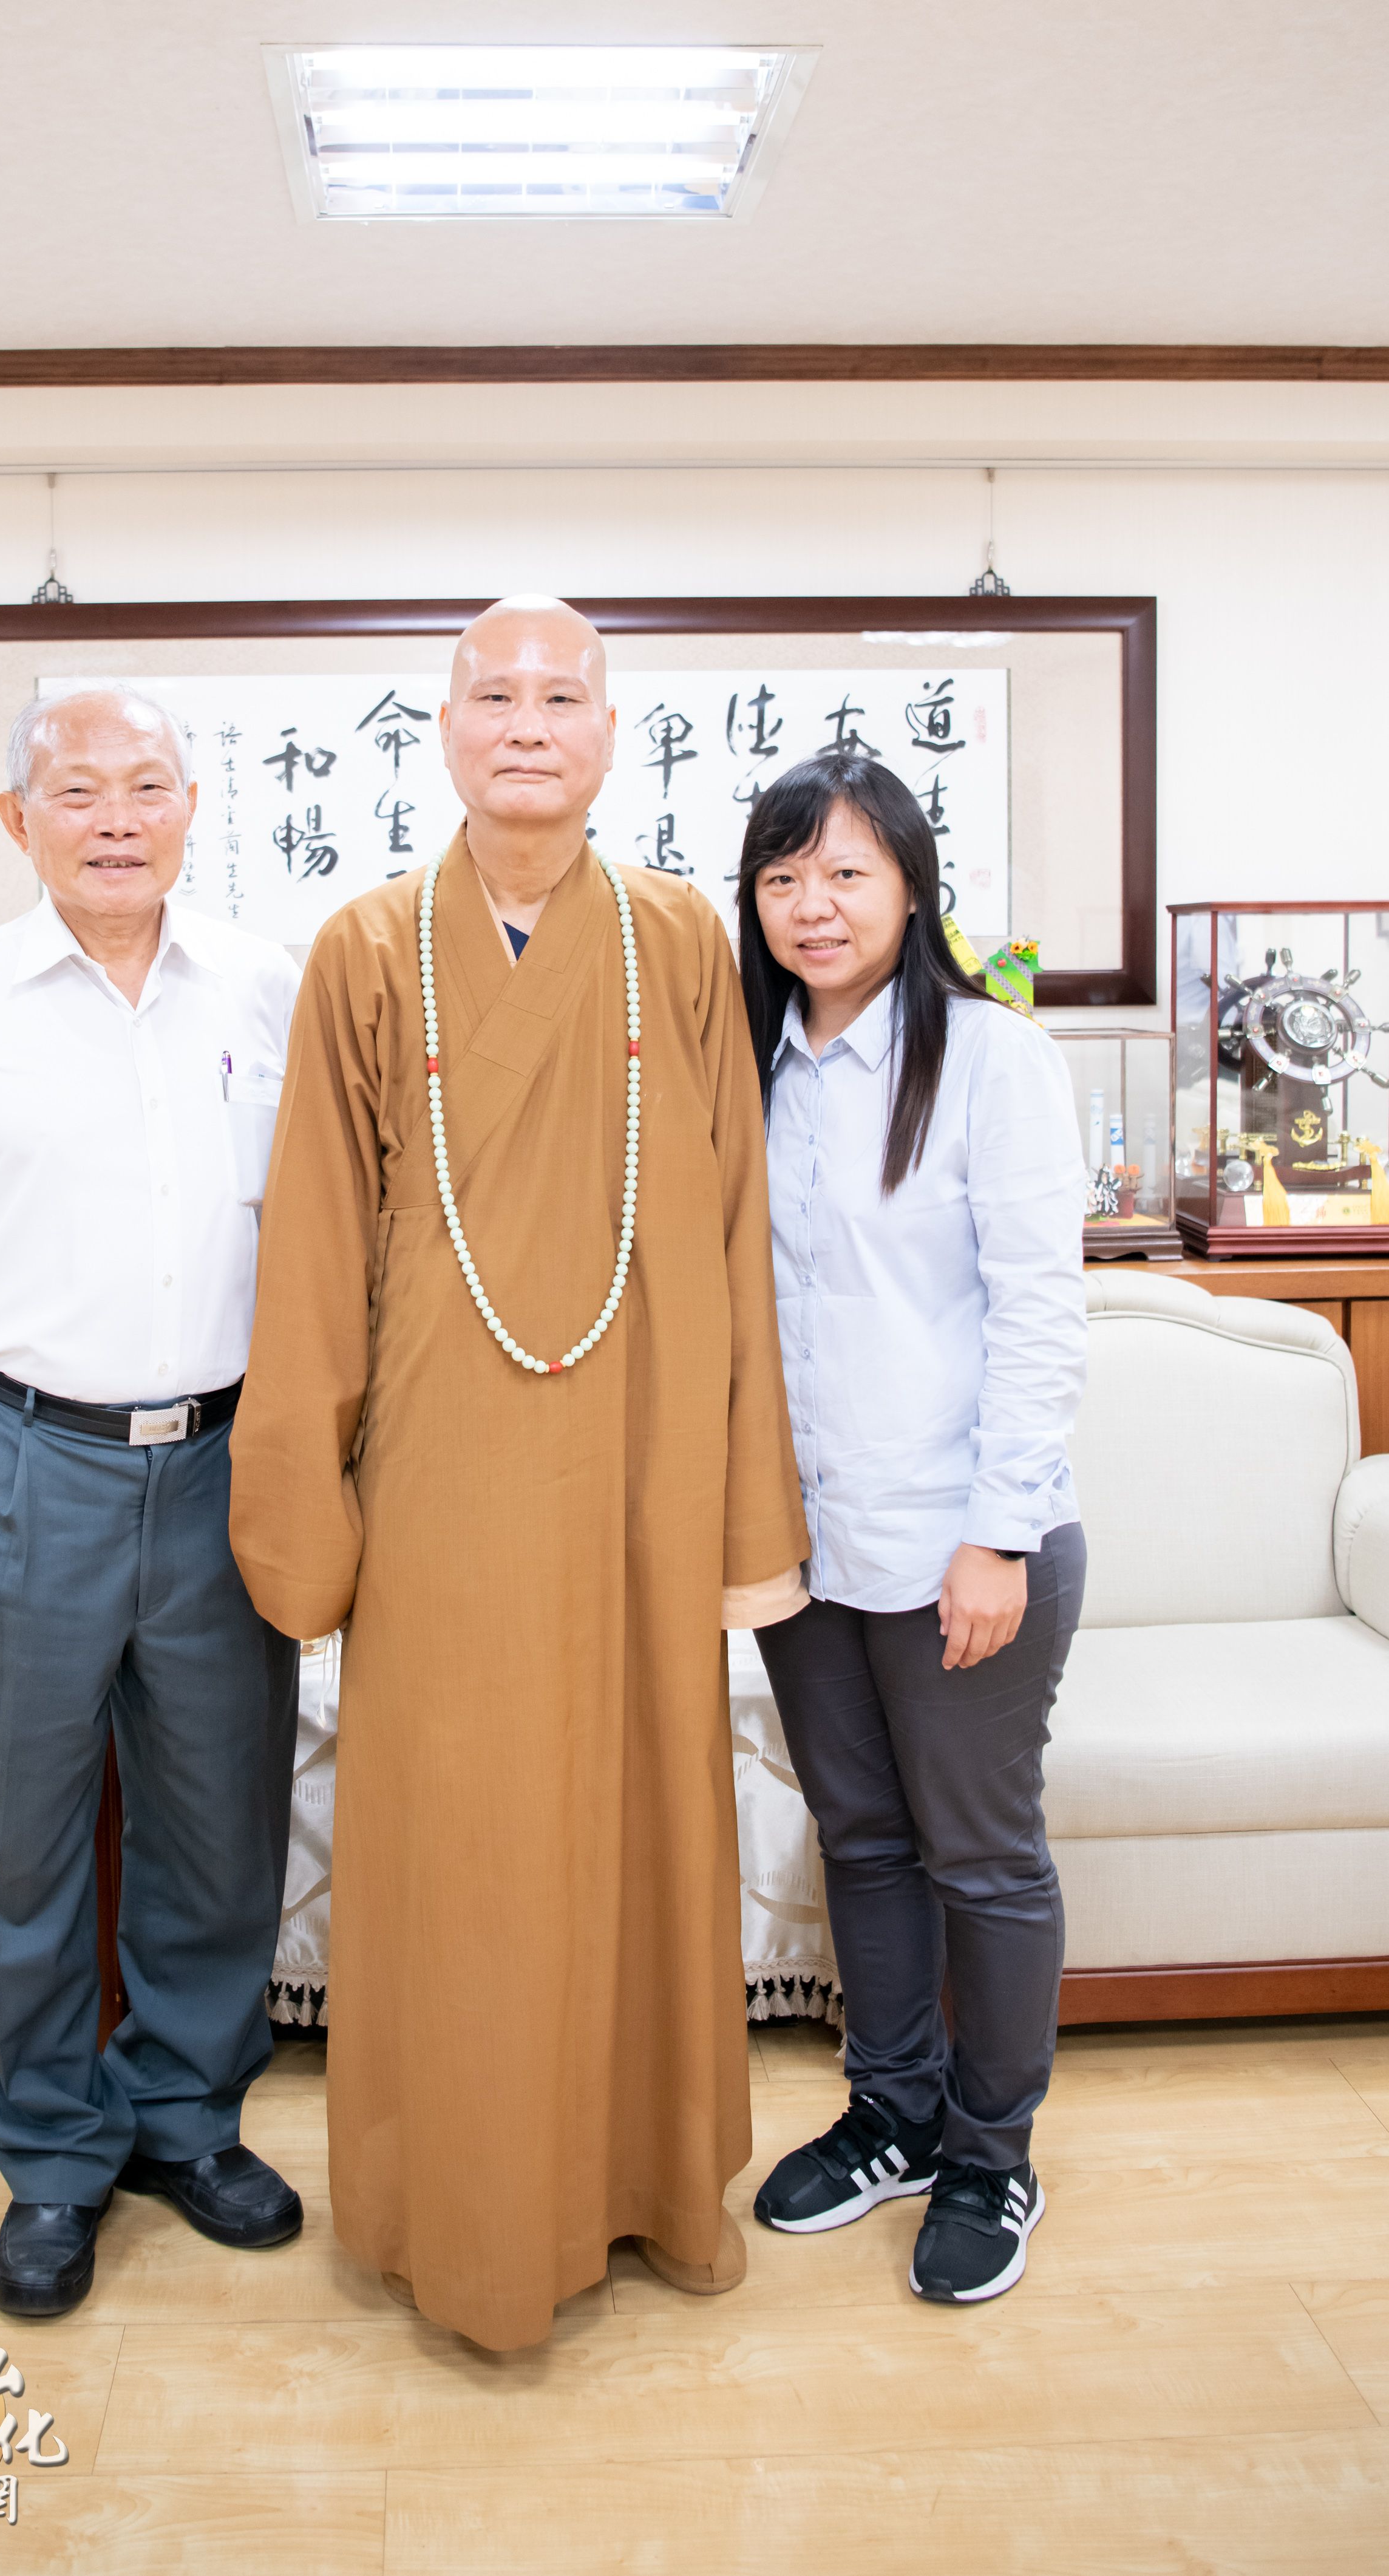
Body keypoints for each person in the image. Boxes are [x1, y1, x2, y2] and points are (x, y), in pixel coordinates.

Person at [229, 595, 809, 2351]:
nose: (530, 723)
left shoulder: (677, 938)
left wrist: (740, 1504)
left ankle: (641, 2186)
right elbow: (312, 1251)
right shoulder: (363, 948)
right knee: (456, 1838)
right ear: (446, 730)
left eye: (565, 696)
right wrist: (304, 1510)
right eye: (497, 695)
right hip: (442, 1474)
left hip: (637, 1456)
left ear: (611, 735)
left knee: (638, 1819)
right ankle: (454, 2214)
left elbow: (733, 1228)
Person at [0, 686, 304, 2319]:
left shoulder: (267, 986)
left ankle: (185, 2117)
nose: (116, 818)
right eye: (79, 790)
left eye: (147, 786)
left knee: (220, 1820)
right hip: (16, 1456)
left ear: (192, 807)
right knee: (15, 1834)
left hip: (224, 1462)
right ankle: (49, 2149)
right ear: (17, 820)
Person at [740, 751, 1087, 2305]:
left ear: (909, 886)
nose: (812, 906)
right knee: (862, 1843)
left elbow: (1039, 1315)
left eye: (845, 873)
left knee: (980, 1858)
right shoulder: (746, 1066)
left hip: (964, 1539)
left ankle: (991, 2154)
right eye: (781, 877)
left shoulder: (993, 1061)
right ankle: (891, 2113)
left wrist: (997, 1536)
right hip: (807, 1544)